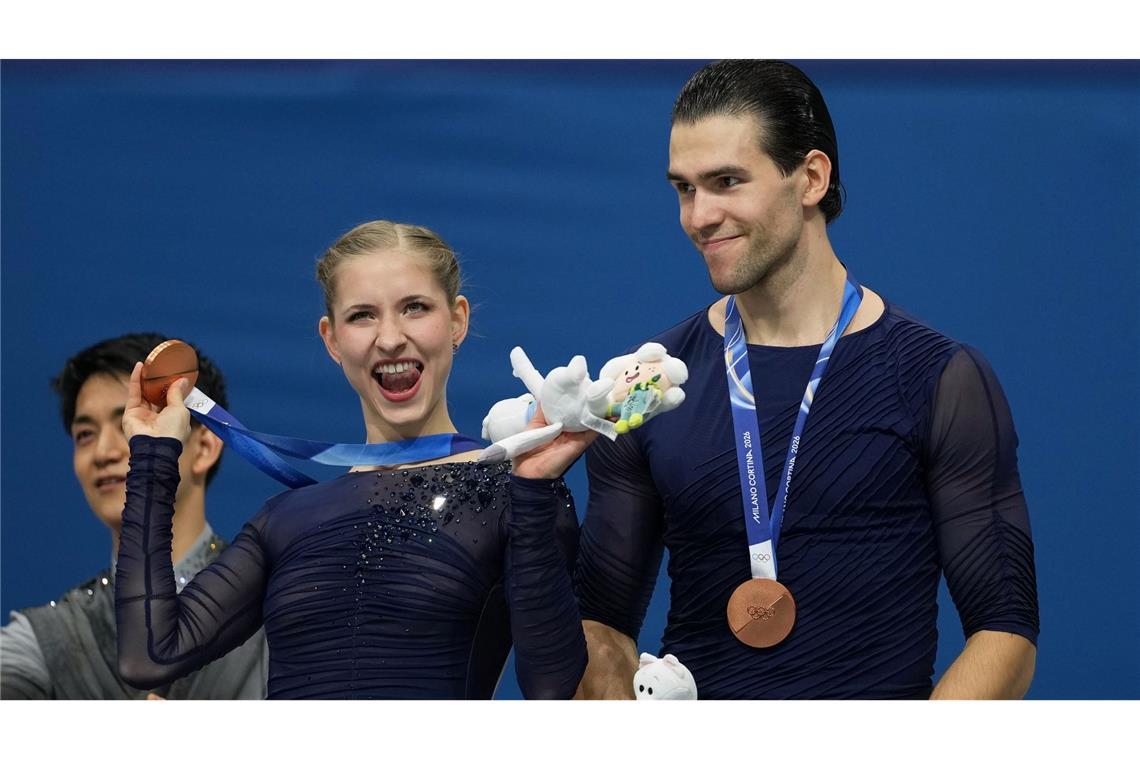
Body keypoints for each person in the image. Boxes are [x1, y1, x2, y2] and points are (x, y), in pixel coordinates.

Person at [574, 60, 1039, 699]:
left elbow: (1004, 632)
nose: (698, 216)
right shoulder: (647, 387)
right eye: (684, 188)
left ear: (811, 178)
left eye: (727, 182)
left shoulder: (939, 377)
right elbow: (602, 620)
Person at [114, 220, 590, 699]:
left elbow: (552, 687)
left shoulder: (513, 492)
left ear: (457, 321)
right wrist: (153, 458)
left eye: (415, 308)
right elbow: (151, 655)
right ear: (332, 339)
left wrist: (532, 491)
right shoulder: (285, 520)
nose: (389, 338)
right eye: (363, 316)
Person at [1, 333, 267, 699]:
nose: (104, 451)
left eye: (134, 422)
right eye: (85, 434)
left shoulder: (278, 608)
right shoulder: (44, 641)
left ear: (205, 447)